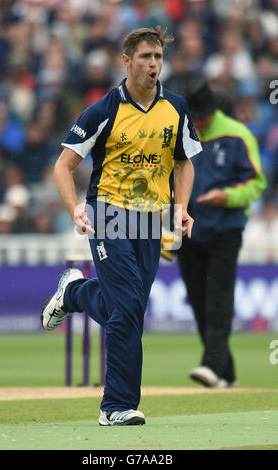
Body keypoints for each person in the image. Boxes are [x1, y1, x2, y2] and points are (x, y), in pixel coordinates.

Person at [41, 27, 202, 426]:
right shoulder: (103, 110)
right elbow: (63, 166)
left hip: (152, 220)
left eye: (159, 58)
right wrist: (75, 208)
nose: (153, 65)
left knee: (125, 308)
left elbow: (184, 162)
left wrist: (180, 207)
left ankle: (74, 291)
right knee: (129, 307)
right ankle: (116, 406)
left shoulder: (176, 107)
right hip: (109, 215)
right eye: (146, 57)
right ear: (127, 62)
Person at [163, 78, 267, 388]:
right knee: (197, 302)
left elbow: (256, 184)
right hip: (188, 231)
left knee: (218, 299)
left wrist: (227, 197)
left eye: (201, 115)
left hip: (225, 230)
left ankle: (211, 365)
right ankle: (227, 373)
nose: (199, 120)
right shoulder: (179, 136)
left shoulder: (237, 135)